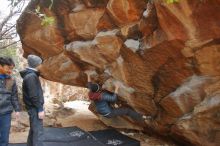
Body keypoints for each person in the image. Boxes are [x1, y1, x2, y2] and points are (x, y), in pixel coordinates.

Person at [20, 55, 44, 146]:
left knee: (34, 130)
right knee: (38, 132)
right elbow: (34, 96)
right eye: (40, 64)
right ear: (37, 64)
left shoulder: (30, 75)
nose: (41, 66)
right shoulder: (31, 76)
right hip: (34, 108)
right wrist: (40, 109)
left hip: (33, 108)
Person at [0, 57, 20, 146]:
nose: (10, 71)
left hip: (6, 113)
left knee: (4, 139)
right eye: (8, 68)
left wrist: (17, 109)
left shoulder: (11, 80)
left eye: (11, 69)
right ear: (0, 66)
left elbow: (14, 96)